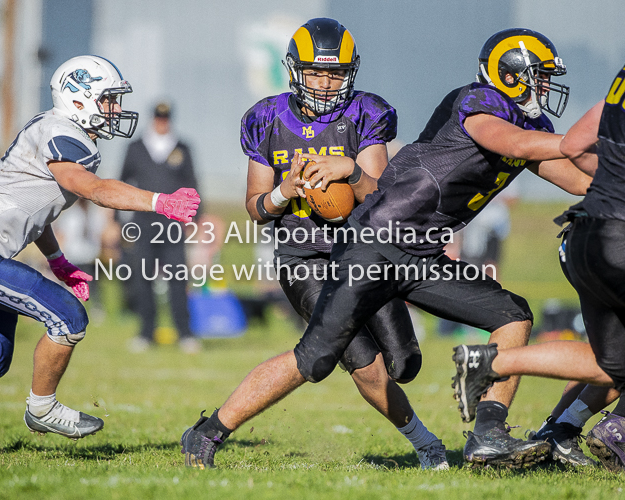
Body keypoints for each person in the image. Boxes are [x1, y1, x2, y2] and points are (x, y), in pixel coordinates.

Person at [179, 27, 592, 470]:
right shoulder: (477, 102)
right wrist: (583, 139)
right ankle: (207, 433)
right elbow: (513, 143)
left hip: (422, 253)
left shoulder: (532, 128)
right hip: (375, 242)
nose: (547, 88)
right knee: (317, 357)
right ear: (511, 76)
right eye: (541, 76)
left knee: (510, 316)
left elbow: (578, 178)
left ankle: (487, 434)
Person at [0, 55, 200, 458]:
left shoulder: (60, 131)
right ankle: (43, 408)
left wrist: (58, 261)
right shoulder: (62, 134)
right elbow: (92, 188)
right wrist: (160, 201)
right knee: (68, 317)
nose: (116, 110)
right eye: (108, 100)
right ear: (79, 99)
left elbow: (37, 213)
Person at [234, 17, 446, 470]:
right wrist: (283, 192)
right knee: (362, 361)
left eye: (335, 73)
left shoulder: (366, 113)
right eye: (316, 72)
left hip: (360, 250)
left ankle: (415, 421)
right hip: (302, 256)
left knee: (404, 362)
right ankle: (427, 445)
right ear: (295, 71)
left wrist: (349, 170)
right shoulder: (266, 118)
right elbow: (255, 208)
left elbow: (378, 195)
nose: (326, 83)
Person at [452, 64, 625, 472]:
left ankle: (508, 379)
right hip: (618, 236)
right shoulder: (482, 110)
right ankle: (615, 429)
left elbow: (576, 144)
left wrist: (612, 179)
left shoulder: (618, 83)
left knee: (609, 363)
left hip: (581, 235)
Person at [118, 101, 201, 354]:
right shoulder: (135, 148)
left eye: (165, 119)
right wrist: (114, 221)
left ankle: (184, 333)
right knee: (142, 277)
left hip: (173, 225)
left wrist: (196, 220)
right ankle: (146, 333)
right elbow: (122, 185)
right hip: (143, 223)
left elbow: (194, 184)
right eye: (158, 118)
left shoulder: (183, 148)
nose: (162, 123)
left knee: (178, 278)